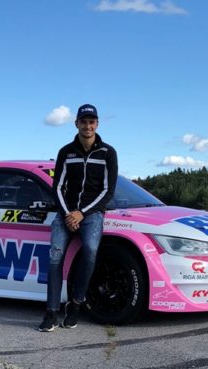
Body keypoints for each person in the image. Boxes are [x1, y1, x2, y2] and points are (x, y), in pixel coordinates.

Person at [38, 104, 118, 332]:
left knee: (91, 249)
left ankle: (75, 303)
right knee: (55, 256)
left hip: (92, 213)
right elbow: (58, 187)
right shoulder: (66, 152)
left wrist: (82, 213)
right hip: (65, 212)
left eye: (92, 121)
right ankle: (51, 312)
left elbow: (108, 191)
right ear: (76, 124)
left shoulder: (108, 153)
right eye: (84, 121)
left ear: (97, 124)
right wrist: (68, 214)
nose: (88, 125)